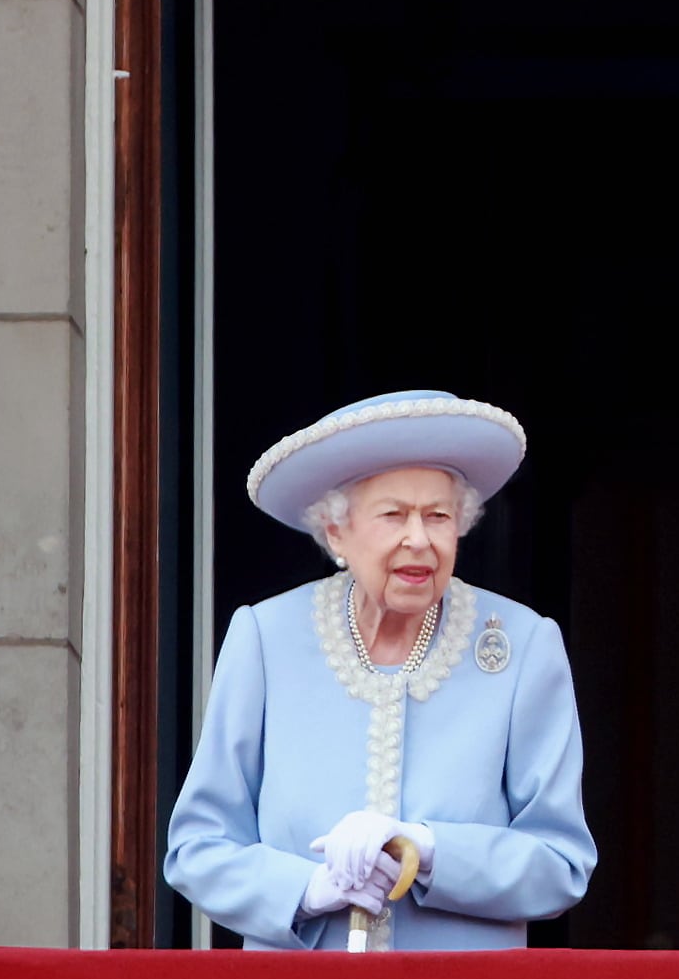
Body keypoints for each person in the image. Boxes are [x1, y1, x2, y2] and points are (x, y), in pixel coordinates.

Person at [166, 392, 595, 950]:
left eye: (438, 516)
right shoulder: (265, 638)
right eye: (393, 514)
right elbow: (197, 848)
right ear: (337, 532)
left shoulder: (523, 646)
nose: (419, 538)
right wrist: (305, 890)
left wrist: (426, 848)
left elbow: (561, 863)